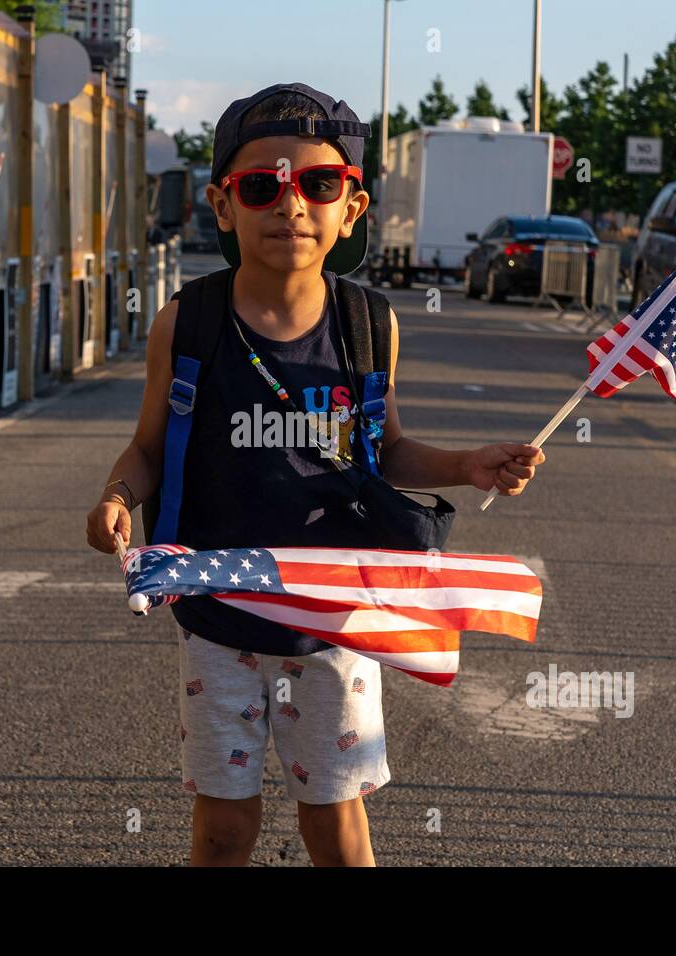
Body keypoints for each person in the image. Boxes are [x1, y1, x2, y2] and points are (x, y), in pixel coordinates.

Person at [86, 83, 545, 866]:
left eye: (318, 184)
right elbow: (149, 449)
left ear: (351, 208)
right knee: (224, 830)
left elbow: (386, 450)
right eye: (261, 186)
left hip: (334, 624)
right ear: (223, 206)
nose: (289, 205)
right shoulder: (188, 320)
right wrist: (117, 496)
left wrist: (468, 466)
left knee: (334, 826)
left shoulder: (368, 322)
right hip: (217, 619)